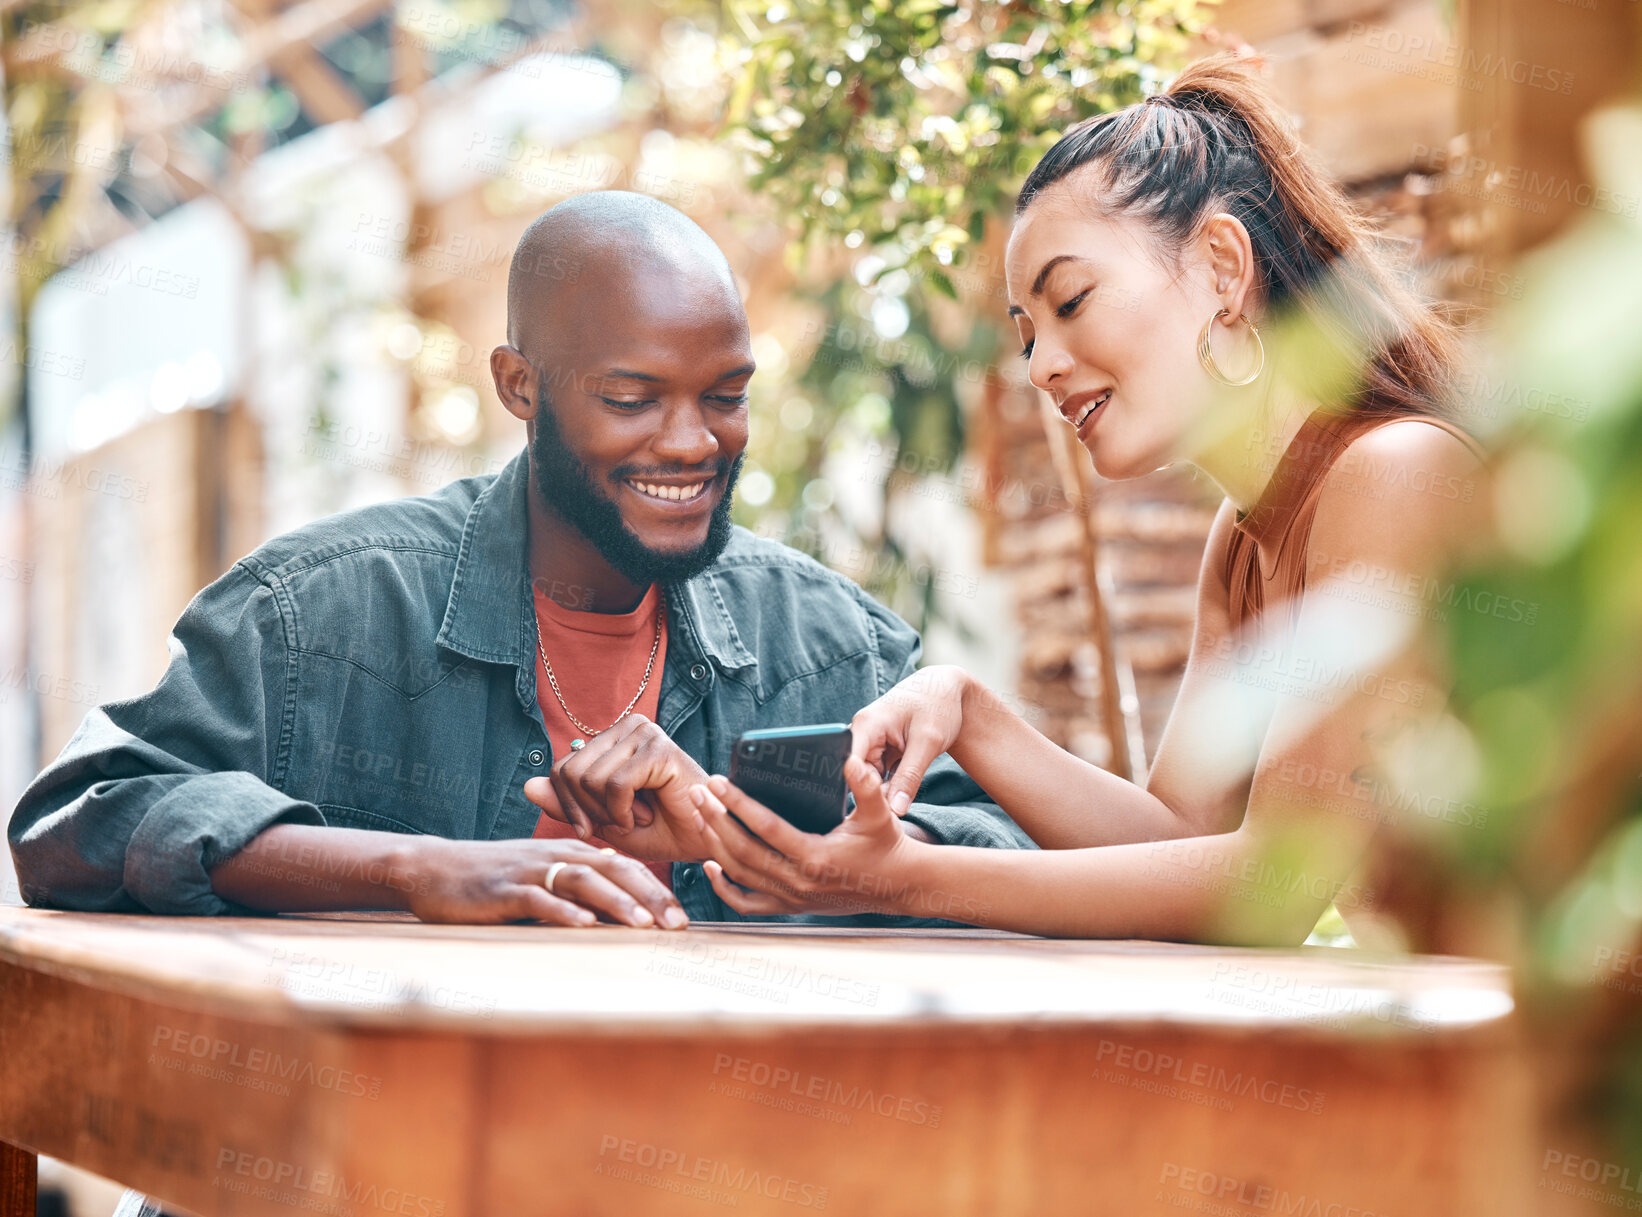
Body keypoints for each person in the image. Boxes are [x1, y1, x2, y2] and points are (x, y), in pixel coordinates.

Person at [7, 192, 1028, 927]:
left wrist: (784, 846)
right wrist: (416, 870)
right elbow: (76, 822)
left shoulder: (831, 646)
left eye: (724, 394)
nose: (691, 440)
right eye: (631, 398)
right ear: (519, 386)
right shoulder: (319, 615)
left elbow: (1014, 861)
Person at [675, 54, 1488, 945]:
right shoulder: (1242, 539)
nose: (1041, 366)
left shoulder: (1397, 473)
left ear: (1223, 265)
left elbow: (1272, 886)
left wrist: (915, 878)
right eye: (1027, 334)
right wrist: (969, 713)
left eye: (1071, 299)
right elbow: (1183, 840)